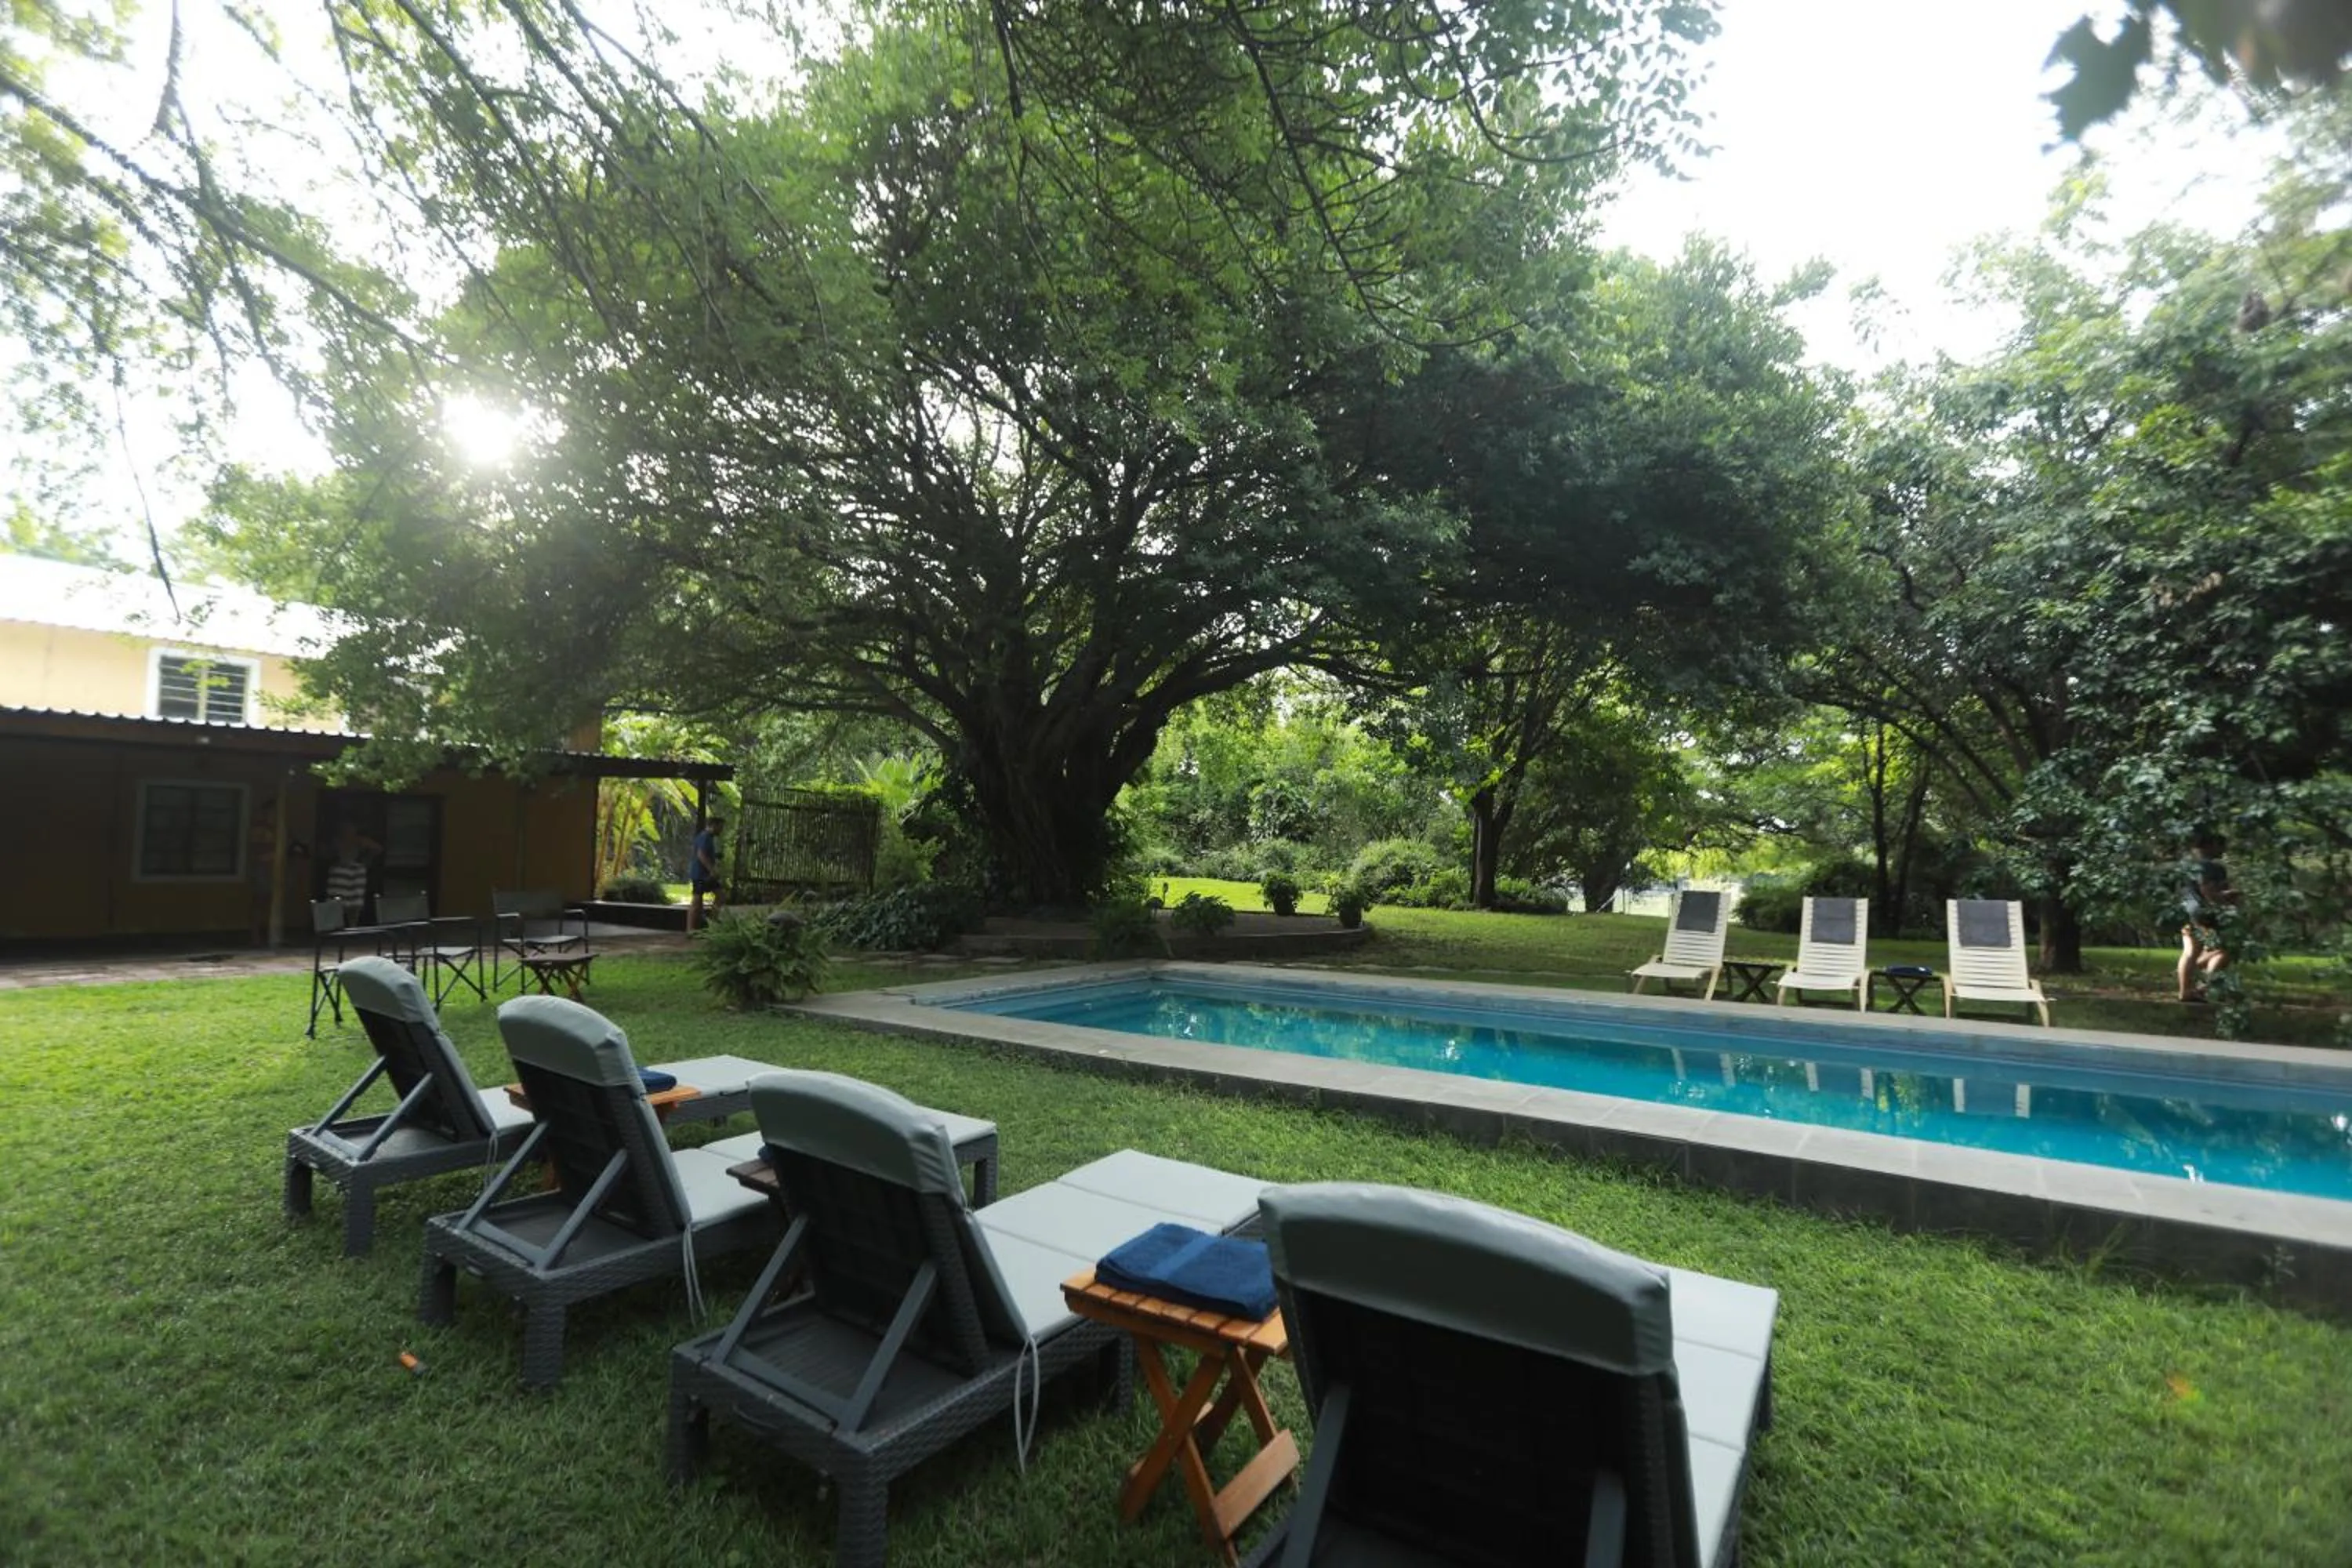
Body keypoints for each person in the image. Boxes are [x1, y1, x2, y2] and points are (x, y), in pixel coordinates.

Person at [2177, 832, 2239, 1004]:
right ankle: (2205, 987)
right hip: (2206, 915)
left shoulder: (2186, 866)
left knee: (2191, 952)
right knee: (2225, 950)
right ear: (2211, 845)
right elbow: (2210, 893)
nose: (2224, 850)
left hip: (2187, 911)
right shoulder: (2213, 868)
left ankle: (2186, 990)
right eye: (2222, 846)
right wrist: (2231, 896)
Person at [323, 820, 379, 924]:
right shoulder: (337, 842)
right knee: (335, 902)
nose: (349, 832)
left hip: (356, 874)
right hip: (339, 875)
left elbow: (377, 849)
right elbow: (325, 854)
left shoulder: (360, 841)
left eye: (352, 829)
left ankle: (353, 927)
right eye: (347, 829)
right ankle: (334, 928)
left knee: (355, 905)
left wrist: (366, 860)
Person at [688, 816, 724, 932]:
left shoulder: (707, 837)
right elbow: (701, 855)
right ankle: (691, 929)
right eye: (720, 827)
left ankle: (711, 924)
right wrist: (712, 870)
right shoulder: (705, 837)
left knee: (720, 895)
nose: (721, 830)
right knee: (697, 901)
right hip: (701, 874)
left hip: (705, 875)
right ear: (714, 825)